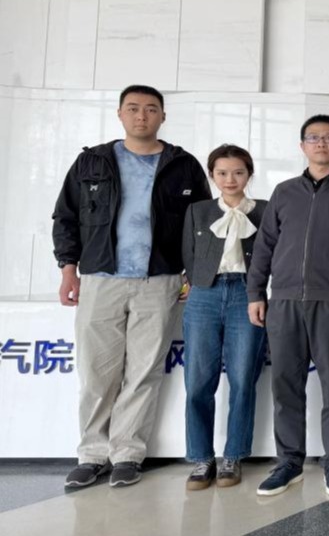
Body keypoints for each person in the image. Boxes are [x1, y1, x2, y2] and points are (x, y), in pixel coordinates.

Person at [53, 84, 210, 488]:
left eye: (151, 109)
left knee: (143, 372)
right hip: (100, 278)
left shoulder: (183, 165)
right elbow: (66, 217)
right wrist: (68, 269)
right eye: (134, 108)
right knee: (96, 372)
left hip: (160, 280)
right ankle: (92, 454)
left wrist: (193, 273)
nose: (142, 116)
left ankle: (127, 454)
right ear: (120, 114)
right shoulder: (92, 162)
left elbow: (202, 225)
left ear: (163, 116)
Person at [247, 115, 329, 498]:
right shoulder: (284, 192)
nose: (321, 143)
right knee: (285, 385)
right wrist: (255, 293)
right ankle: (289, 463)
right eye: (313, 137)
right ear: (302, 146)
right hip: (284, 301)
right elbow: (264, 246)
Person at [181, 144, 268, 490]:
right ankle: (201, 457)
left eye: (238, 172)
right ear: (212, 175)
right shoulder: (198, 211)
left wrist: (261, 293)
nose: (230, 179)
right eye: (221, 173)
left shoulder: (265, 210)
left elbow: (275, 254)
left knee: (243, 377)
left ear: (249, 174)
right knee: (198, 380)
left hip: (248, 295)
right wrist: (195, 284)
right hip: (204, 294)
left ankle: (233, 455)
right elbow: (188, 254)